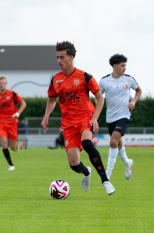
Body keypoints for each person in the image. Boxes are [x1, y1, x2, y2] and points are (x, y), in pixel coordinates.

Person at [41, 41, 115, 195]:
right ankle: (87, 173)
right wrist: (46, 115)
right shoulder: (55, 79)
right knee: (74, 165)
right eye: (57, 58)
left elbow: (100, 98)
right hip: (68, 123)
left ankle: (105, 180)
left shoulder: (85, 76)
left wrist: (94, 118)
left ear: (71, 57)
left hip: (85, 117)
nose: (59, 61)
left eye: (62, 57)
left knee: (87, 143)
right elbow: (52, 100)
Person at [99, 54, 142, 180]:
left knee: (113, 141)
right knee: (118, 143)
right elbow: (98, 97)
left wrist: (133, 101)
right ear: (115, 66)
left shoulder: (128, 79)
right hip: (110, 117)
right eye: (122, 66)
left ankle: (107, 174)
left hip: (124, 115)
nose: (125, 68)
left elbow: (138, 90)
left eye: (125, 65)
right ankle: (127, 163)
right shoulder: (104, 81)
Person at [0, 76, 26, 171]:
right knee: (4, 143)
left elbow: (23, 103)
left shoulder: (13, 94)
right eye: (0, 83)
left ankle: (16, 147)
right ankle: (11, 165)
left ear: (6, 84)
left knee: (13, 148)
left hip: (12, 123)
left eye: (3, 83)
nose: (1, 85)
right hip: (2, 123)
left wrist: (17, 113)